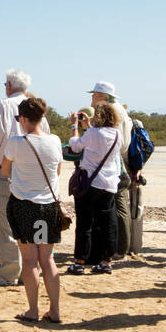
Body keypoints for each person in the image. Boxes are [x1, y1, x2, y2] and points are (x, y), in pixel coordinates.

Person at [0, 97, 64, 323]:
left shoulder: (16, 142)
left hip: (24, 206)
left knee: (29, 260)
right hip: (48, 207)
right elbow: (57, 171)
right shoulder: (55, 141)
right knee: (47, 259)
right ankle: (54, 310)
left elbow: (5, 170)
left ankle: (33, 309)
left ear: (24, 119)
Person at [0, 69, 49, 287]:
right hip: (32, 171)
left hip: (6, 170)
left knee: (6, 222)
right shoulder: (37, 108)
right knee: (29, 218)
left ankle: (10, 271)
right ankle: (31, 269)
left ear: (8, 85)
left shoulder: (2, 106)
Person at [65, 101, 121, 275]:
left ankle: (80, 261)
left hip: (90, 183)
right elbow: (98, 140)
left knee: (84, 223)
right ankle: (106, 261)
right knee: (108, 224)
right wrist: (88, 126)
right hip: (109, 184)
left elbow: (75, 145)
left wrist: (75, 125)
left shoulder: (94, 134)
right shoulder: (117, 135)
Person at [87, 81, 139, 261]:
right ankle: (118, 246)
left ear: (102, 96)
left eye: (94, 95)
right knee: (118, 203)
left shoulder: (111, 111)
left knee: (118, 204)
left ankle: (119, 248)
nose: (92, 99)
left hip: (115, 161)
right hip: (118, 158)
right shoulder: (119, 108)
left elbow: (107, 140)